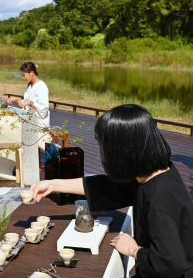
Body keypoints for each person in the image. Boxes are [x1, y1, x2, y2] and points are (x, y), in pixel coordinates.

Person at [31, 104, 193, 278]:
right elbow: (108, 187)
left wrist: (134, 250)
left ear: (122, 152)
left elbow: (171, 264)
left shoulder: (160, 198)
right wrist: (54, 184)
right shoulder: (156, 173)